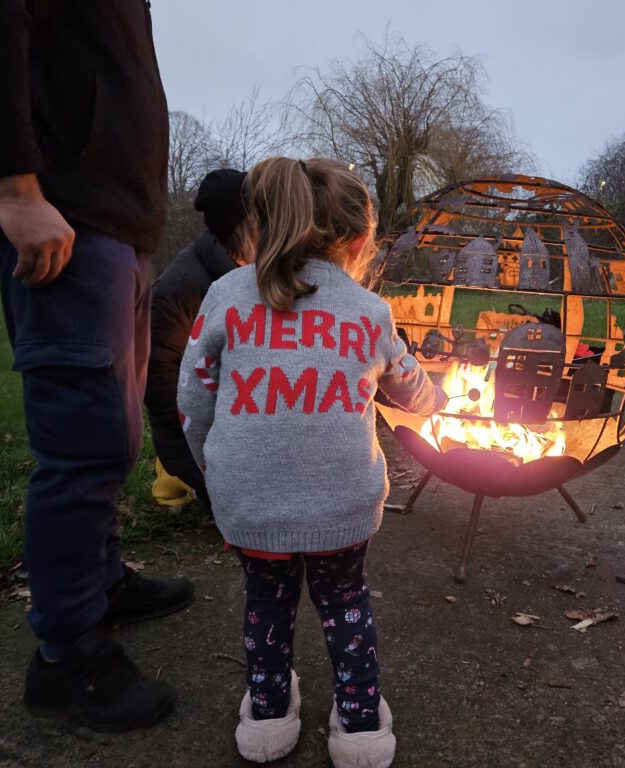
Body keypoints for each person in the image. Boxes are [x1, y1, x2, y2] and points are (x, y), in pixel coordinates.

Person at [0, 0, 193, 731]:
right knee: (84, 442)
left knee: (116, 431)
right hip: (67, 217)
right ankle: (66, 652)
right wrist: (16, 187)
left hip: (115, 223)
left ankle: (101, 582)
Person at [178, 157, 446, 766]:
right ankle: (358, 725)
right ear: (357, 241)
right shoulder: (369, 312)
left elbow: (192, 400)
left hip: (250, 499)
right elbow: (409, 390)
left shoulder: (225, 295)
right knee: (345, 602)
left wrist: (213, 471)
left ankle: (269, 714)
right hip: (342, 501)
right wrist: (437, 398)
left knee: (266, 603)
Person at [146, 169, 254, 513]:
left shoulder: (254, 271)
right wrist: (200, 469)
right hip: (201, 436)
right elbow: (164, 391)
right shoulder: (180, 290)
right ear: (243, 224)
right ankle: (178, 488)